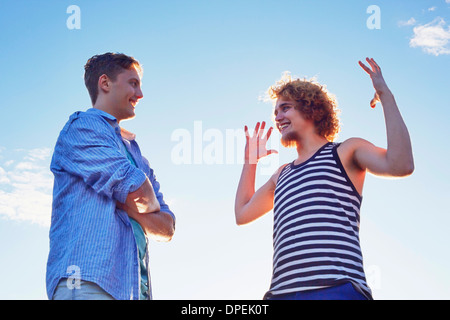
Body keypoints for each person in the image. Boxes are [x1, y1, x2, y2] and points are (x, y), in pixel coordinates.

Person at [235, 58, 414, 300]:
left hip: (336, 289)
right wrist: (250, 161)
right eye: (275, 111)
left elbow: (401, 164)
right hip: (280, 294)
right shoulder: (281, 175)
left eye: (285, 108)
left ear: (311, 109)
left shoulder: (345, 151)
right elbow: (242, 214)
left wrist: (385, 96)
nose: (277, 117)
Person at [46, 52, 175, 300]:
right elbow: (137, 189)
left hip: (132, 291)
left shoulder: (137, 155)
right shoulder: (82, 127)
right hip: (87, 283)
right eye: (133, 83)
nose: (140, 94)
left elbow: (167, 227)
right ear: (105, 83)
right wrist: (145, 204)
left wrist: (129, 207)